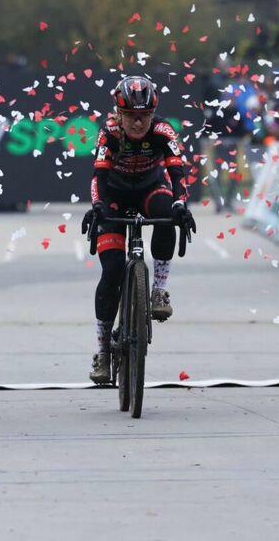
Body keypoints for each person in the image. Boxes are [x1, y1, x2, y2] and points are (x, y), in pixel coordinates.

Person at [82, 76, 194, 385]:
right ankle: (103, 354)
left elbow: (177, 171)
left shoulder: (163, 131)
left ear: (153, 112)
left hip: (149, 188)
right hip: (114, 196)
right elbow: (98, 176)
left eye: (144, 115)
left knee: (167, 211)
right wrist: (98, 205)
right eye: (131, 115)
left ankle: (158, 290)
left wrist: (181, 204)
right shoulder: (109, 134)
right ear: (119, 114)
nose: (138, 122)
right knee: (113, 271)